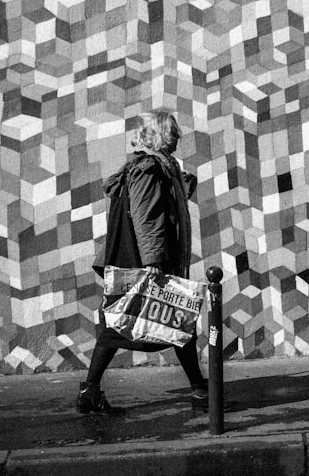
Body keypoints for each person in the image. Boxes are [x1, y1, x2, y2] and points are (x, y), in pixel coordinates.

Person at [77, 109, 208, 414]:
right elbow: (146, 217)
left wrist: (181, 185)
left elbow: (163, 209)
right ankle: (90, 390)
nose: (177, 136)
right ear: (158, 134)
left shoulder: (162, 165)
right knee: (134, 322)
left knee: (174, 316)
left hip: (154, 258)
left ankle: (200, 388)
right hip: (147, 259)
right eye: (171, 131)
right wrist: (153, 262)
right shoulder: (148, 167)